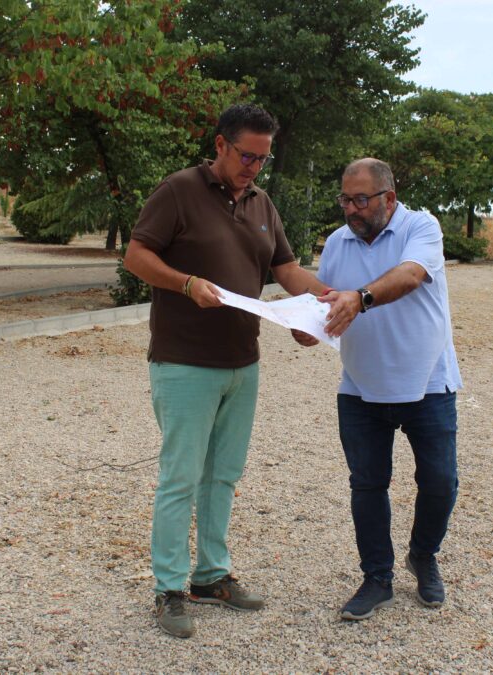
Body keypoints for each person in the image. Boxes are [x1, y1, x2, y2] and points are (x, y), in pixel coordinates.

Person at [123, 104, 327, 639]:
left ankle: (211, 576)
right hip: (185, 363)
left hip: (243, 363)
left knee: (223, 476)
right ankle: (169, 588)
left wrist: (324, 304)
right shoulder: (178, 190)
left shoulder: (262, 203)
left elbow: (285, 269)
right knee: (181, 477)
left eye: (262, 159)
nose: (253, 168)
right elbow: (136, 256)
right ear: (220, 145)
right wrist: (186, 283)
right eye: (245, 156)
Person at [302, 157, 463, 621]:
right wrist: (309, 327)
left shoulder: (421, 227)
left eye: (361, 200)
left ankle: (423, 555)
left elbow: (410, 275)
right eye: (345, 200)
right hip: (360, 387)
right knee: (367, 485)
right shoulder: (338, 242)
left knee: (440, 481)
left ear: (389, 198)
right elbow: (330, 304)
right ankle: (377, 578)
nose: (351, 209)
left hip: (428, 382)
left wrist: (361, 297)